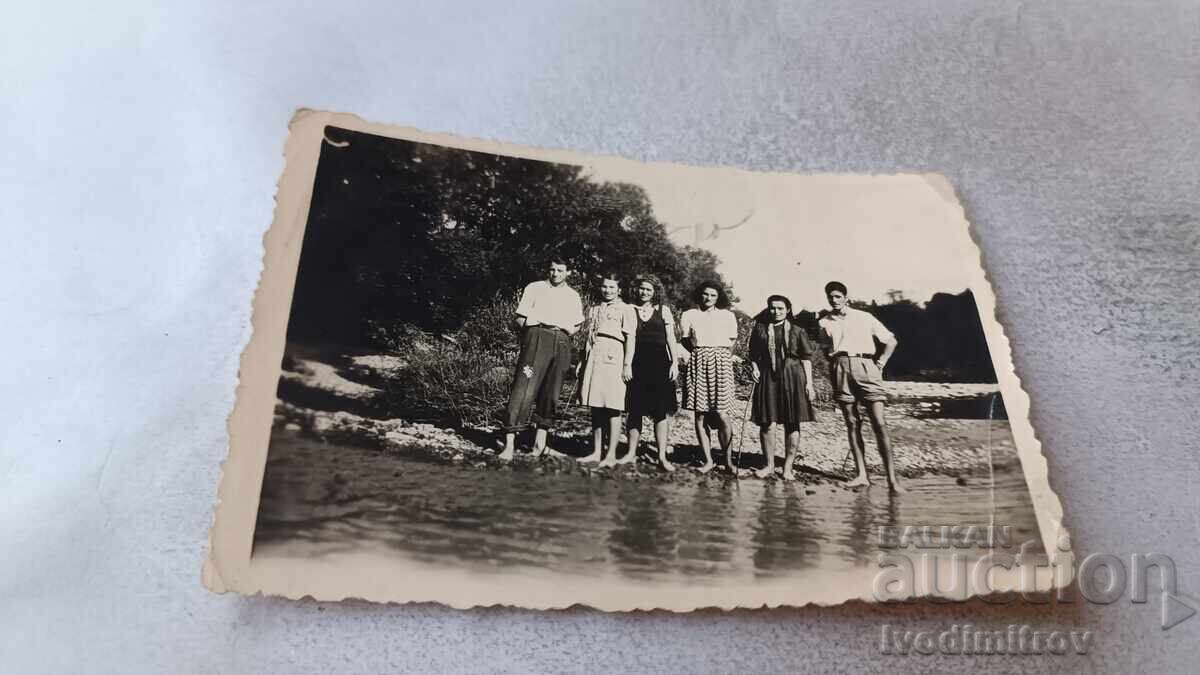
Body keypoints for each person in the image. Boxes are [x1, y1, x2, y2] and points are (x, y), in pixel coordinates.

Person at [817, 281, 902, 492]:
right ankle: (862, 475)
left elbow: (891, 341)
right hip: (840, 368)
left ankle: (893, 480)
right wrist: (834, 361)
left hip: (867, 365)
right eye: (831, 297)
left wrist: (880, 363)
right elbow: (825, 347)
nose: (834, 300)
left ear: (846, 297)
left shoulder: (864, 317)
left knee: (879, 422)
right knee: (852, 422)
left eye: (838, 296)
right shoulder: (824, 322)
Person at [499, 259, 584, 461]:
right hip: (538, 336)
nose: (555, 273)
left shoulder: (573, 295)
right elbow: (520, 316)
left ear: (568, 272)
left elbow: (578, 323)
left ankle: (540, 444)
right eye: (552, 269)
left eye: (560, 270)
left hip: (562, 341)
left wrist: (569, 330)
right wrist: (532, 332)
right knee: (524, 388)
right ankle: (510, 443)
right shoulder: (534, 288)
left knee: (551, 392)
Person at [748, 295, 817, 480]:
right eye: (772, 308)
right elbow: (753, 354)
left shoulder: (797, 330)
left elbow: (806, 358)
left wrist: (809, 384)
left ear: (787, 310)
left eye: (780, 308)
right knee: (767, 422)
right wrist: (754, 369)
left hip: (793, 377)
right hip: (767, 376)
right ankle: (769, 465)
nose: (776, 312)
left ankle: (788, 467)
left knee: (791, 422)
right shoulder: (760, 329)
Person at [577, 274, 638, 466]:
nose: (608, 290)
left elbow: (631, 338)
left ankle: (611, 454)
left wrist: (627, 364)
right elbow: (589, 337)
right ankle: (596, 452)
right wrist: (582, 361)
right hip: (595, 355)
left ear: (619, 290)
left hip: (614, 355)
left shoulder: (626, 309)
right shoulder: (594, 309)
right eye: (605, 287)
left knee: (613, 406)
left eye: (612, 287)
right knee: (596, 405)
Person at [679, 281, 738, 473]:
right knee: (700, 413)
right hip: (698, 360)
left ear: (718, 297)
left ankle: (728, 462)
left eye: (713, 295)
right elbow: (686, 340)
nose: (708, 298)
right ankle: (708, 461)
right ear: (699, 294)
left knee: (722, 414)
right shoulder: (689, 315)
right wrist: (698, 355)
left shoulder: (727, 315)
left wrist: (721, 358)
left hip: (721, 361)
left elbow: (732, 341)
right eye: (705, 294)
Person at [623, 275, 681, 471]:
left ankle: (662, 457)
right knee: (634, 410)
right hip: (637, 364)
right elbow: (629, 339)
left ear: (655, 292)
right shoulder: (629, 309)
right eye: (641, 289)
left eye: (648, 289)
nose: (644, 292)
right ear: (636, 290)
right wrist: (627, 364)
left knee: (660, 411)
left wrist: (674, 363)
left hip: (659, 365)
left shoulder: (663, 310)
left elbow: (671, 338)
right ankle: (631, 453)